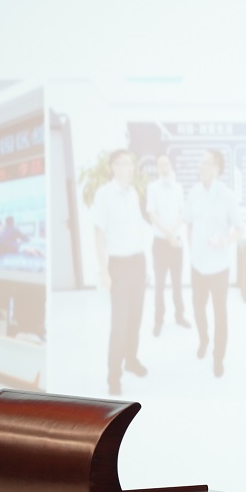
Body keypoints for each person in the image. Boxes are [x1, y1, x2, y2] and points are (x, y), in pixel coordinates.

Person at [93, 149, 149, 396]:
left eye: (130, 163)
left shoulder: (133, 193)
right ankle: (113, 377)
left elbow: (137, 228)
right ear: (113, 167)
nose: (129, 167)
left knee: (135, 318)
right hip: (119, 266)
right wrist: (104, 271)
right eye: (124, 163)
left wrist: (145, 262)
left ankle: (131, 360)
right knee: (119, 324)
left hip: (138, 262)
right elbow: (98, 233)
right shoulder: (104, 194)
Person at [184, 149, 244, 377]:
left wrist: (225, 241)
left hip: (219, 267)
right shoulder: (193, 193)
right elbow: (189, 223)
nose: (202, 167)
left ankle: (218, 357)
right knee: (198, 308)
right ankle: (203, 340)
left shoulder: (227, 196)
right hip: (197, 265)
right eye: (201, 163)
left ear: (217, 168)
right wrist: (192, 248)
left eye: (206, 163)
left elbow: (239, 228)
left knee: (220, 314)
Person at [146, 154, 191, 337]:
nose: (163, 167)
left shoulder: (178, 188)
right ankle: (158, 320)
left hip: (176, 242)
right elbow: (152, 214)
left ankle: (180, 316)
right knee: (159, 285)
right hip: (160, 243)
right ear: (157, 168)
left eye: (166, 164)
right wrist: (168, 233)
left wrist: (172, 233)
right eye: (160, 165)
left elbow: (182, 213)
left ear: (170, 165)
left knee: (177, 282)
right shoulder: (152, 188)